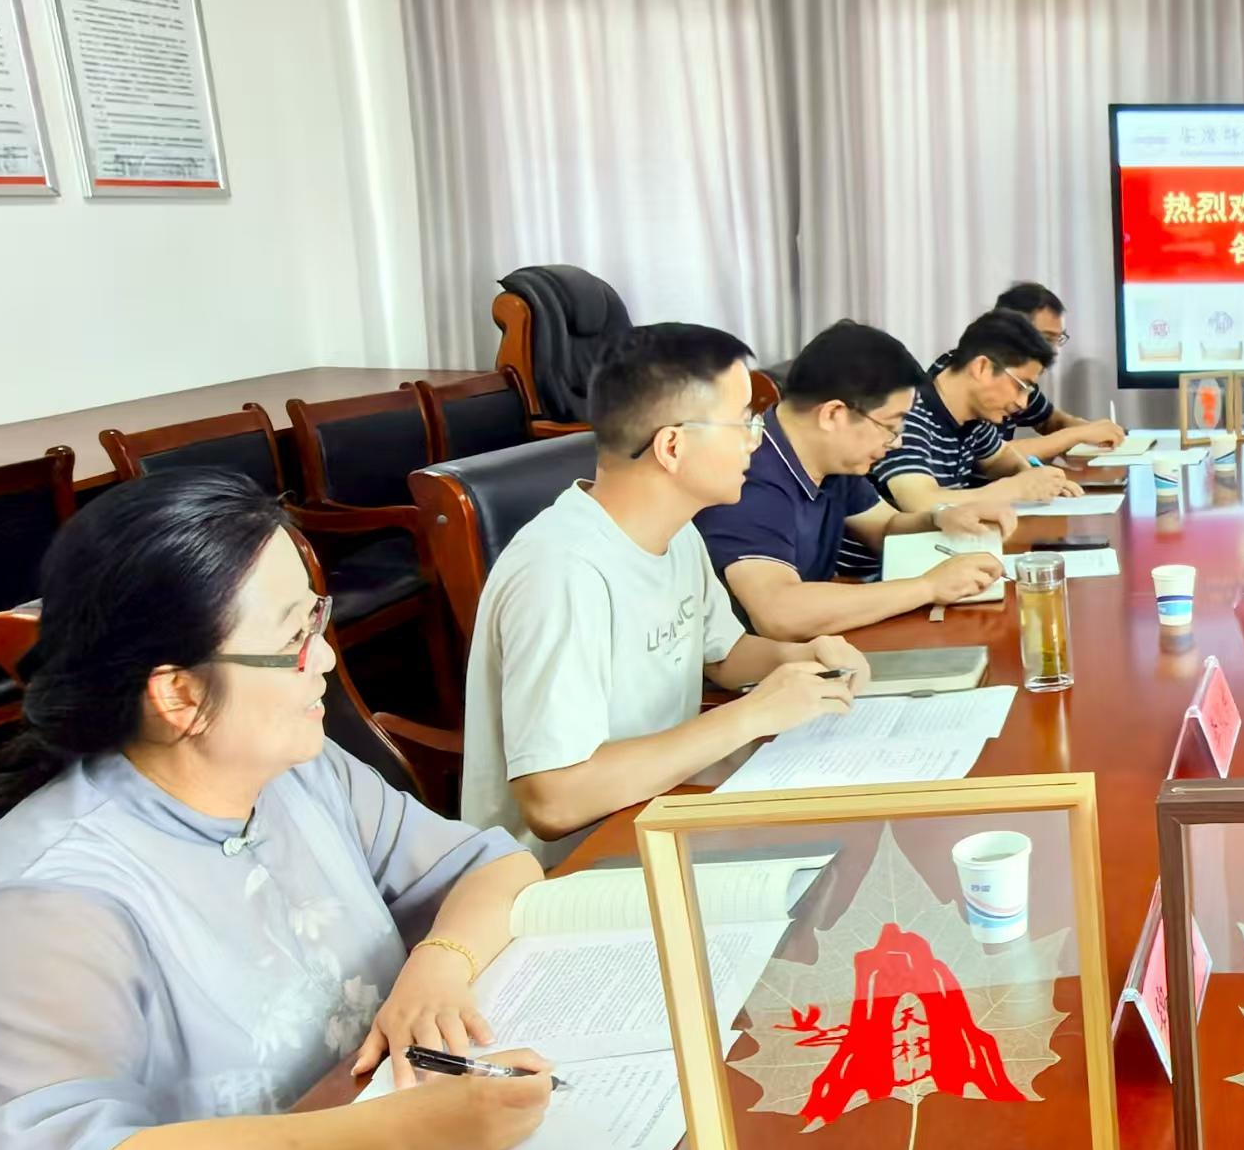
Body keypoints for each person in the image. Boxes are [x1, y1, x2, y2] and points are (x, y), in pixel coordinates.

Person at [0, 470, 554, 1150]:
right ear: (179, 694)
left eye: (315, 617)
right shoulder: (30, 907)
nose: (326, 657)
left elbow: (493, 867)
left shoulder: (298, 772)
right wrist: (407, 1128)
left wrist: (439, 964)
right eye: (292, 640)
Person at [461, 323, 872, 860]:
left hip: (660, 813)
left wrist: (802, 659)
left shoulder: (677, 532)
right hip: (569, 868)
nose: (756, 440)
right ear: (673, 446)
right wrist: (752, 714)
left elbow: (721, 655)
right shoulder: (561, 572)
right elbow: (554, 802)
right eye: (743, 422)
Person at [696, 319, 1020, 634]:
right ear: (833, 414)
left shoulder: (831, 459)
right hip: (758, 663)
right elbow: (779, 613)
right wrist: (928, 587)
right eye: (890, 426)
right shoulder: (748, 478)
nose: (897, 442)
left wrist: (942, 518)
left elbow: (886, 527)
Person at [873, 310, 1097, 515]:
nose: (1023, 403)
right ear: (982, 368)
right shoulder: (907, 412)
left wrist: (1033, 478)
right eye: (1021, 386)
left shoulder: (973, 417)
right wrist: (1014, 489)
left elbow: (999, 458)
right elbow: (921, 502)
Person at [965, 282, 1123, 445]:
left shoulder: (1020, 379)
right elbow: (995, 454)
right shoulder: (975, 375)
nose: (1054, 351)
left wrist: (1095, 432)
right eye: (1046, 339)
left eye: (1058, 339)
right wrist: (1075, 435)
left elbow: (1049, 420)